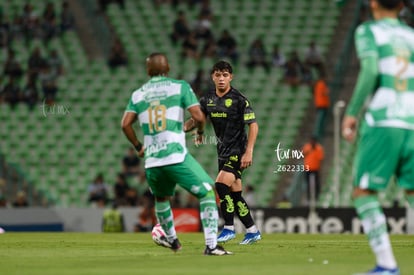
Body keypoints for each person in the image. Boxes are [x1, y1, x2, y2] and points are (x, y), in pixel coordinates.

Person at [121, 52, 232, 255]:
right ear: (168, 68)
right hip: (175, 156)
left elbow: (125, 124)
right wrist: (199, 131)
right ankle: (211, 245)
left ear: (148, 70)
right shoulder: (179, 86)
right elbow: (198, 115)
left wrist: (138, 146)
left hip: (152, 161)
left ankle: (172, 240)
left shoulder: (138, 94)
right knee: (207, 191)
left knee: (162, 199)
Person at [342, 1, 414, 274]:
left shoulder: (368, 31)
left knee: (364, 191)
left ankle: (386, 264)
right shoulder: (410, 35)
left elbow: (371, 70)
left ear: (373, 2)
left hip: (385, 119)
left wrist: (351, 112)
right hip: (412, 118)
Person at [194, 60, 261, 244]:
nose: (221, 79)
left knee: (221, 185)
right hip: (222, 153)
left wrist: (249, 152)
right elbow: (197, 119)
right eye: (217, 75)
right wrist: (185, 128)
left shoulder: (239, 100)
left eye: (225, 75)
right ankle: (252, 231)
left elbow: (253, 126)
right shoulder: (208, 100)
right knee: (236, 195)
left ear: (231, 77)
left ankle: (229, 228)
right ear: (212, 77)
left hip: (238, 152)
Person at [302, 136, 324, 205]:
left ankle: (316, 198)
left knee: (316, 184)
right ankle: (309, 198)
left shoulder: (319, 148)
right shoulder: (307, 147)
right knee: (308, 184)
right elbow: (302, 154)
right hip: (308, 168)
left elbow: (321, 158)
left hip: (315, 169)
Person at [312, 72, 330, 140]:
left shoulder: (317, 84)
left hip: (319, 104)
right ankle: (317, 133)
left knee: (320, 120)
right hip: (322, 104)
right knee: (320, 120)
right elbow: (325, 93)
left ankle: (319, 133)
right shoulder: (322, 84)